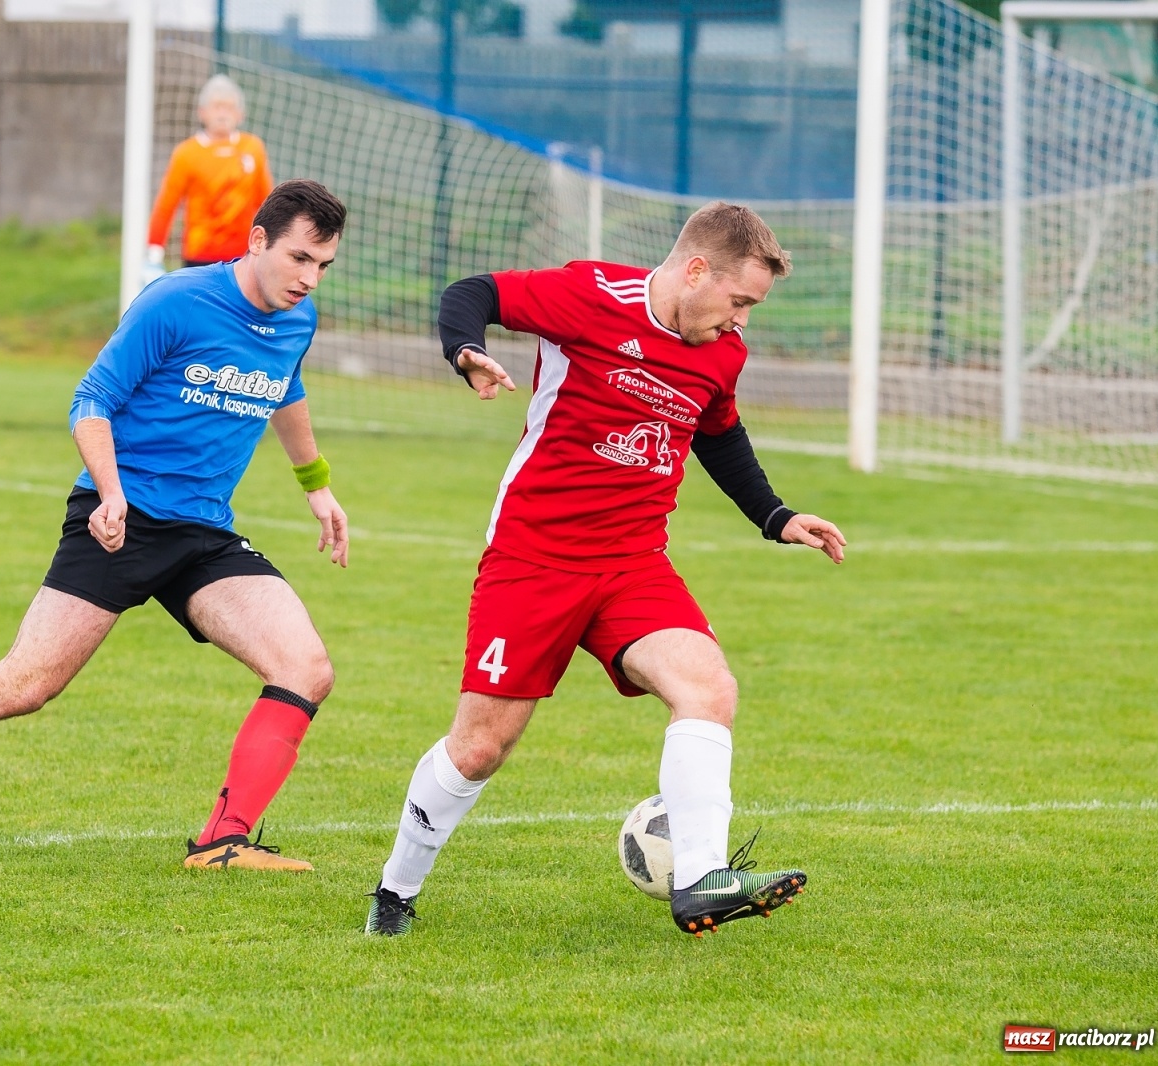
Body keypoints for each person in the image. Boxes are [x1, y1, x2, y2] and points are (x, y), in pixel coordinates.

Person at [0, 180, 351, 873]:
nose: (308, 278)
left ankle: (221, 842)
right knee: (23, 685)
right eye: (299, 258)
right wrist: (110, 493)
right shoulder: (177, 302)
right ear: (257, 240)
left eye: (322, 266)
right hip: (119, 516)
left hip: (202, 533)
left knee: (306, 667)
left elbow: (285, 388)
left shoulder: (299, 320)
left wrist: (316, 487)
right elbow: (91, 401)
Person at [363, 202, 847, 937]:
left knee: (709, 688)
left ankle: (700, 880)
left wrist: (775, 517)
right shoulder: (590, 298)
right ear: (694, 271)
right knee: (480, 747)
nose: (742, 321)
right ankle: (395, 893)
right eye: (739, 300)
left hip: (632, 563)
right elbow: (474, 293)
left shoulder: (723, 351)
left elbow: (717, 432)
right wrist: (465, 351)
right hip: (533, 557)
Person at [144, 75, 272, 283]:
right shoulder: (186, 153)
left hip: (244, 255)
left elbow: (266, 202)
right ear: (201, 112)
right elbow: (167, 205)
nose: (222, 113)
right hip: (199, 256)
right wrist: (153, 253)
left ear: (241, 114)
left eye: (229, 107)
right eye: (216, 106)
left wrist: (271, 244)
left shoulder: (253, 148)